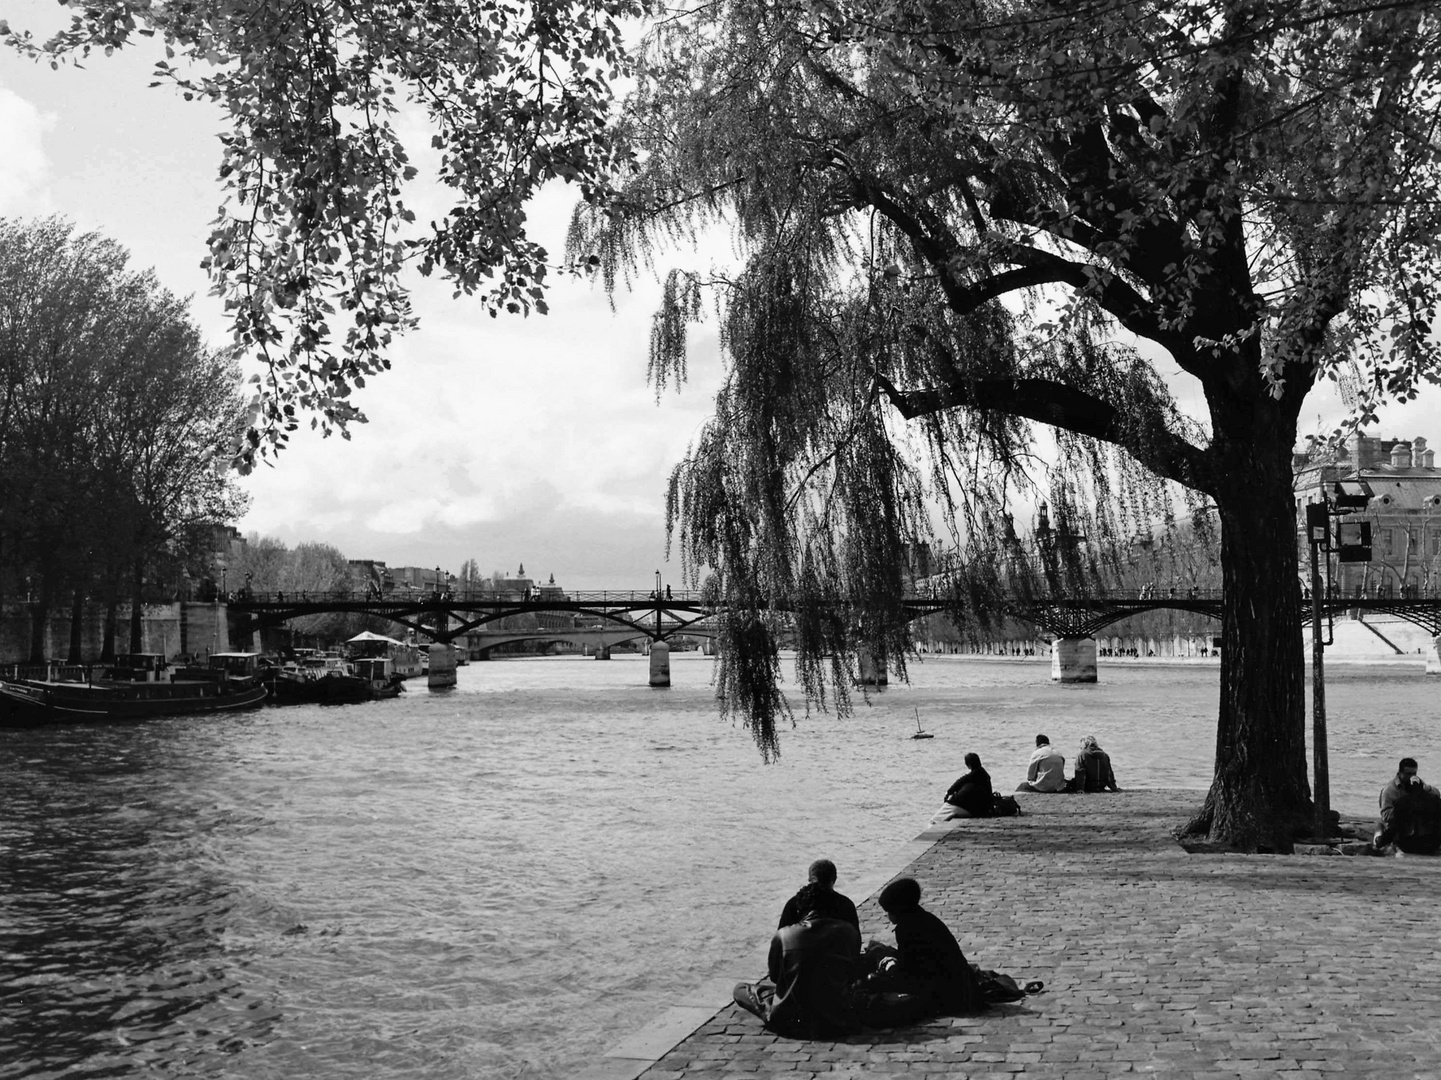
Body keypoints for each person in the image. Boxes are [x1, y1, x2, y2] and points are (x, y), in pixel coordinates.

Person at [733, 881, 863, 1038]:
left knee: (741, 989)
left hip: (790, 1021)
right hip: (837, 1019)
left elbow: (775, 977)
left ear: (801, 908)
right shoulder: (848, 932)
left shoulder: (784, 935)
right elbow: (852, 973)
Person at [855, 877, 979, 1025]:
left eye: (890, 911)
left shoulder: (907, 929)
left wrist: (887, 966)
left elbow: (910, 971)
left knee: (872, 977)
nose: (888, 916)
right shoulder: (924, 919)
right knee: (879, 953)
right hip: (954, 983)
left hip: (941, 990)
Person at [1374, 757, 1441, 855]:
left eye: (1414, 774)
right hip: (1406, 829)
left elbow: (1436, 793)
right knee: (1381, 824)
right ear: (1400, 773)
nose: (1411, 777)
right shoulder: (1389, 791)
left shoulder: (1416, 793)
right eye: (1408, 774)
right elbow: (1386, 817)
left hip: (1409, 841)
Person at [777, 859, 859, 930]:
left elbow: (779, 941)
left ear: (811, 879)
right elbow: (855, 942)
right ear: (834, 880)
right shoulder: (846, 904)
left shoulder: (794, 904)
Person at [939, 753, 993, 817]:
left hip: (974, 809)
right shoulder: (983, 774)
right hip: (983, 808)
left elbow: (960, 781)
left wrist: (948, 792)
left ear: (968, 765)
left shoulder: (976, 774)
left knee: (934, 820)